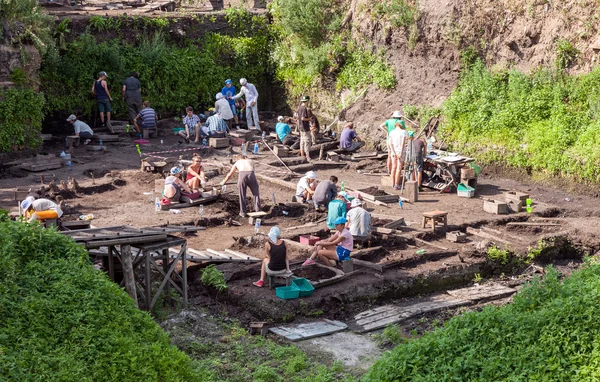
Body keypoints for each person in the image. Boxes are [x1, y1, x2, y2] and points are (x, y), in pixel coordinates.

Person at [388, 120, 407, 190]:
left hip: (393, 152)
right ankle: (397, 185)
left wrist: (393, 152)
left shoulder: (391, 132)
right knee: (399, 168)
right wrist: (400, 153)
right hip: (400, 152)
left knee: (393, 167)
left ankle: (392, 184)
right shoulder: (403, 132)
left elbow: (390, 143)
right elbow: (403, 143)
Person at [296, 96, 312, 161]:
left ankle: (302, 155)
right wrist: (309, 119)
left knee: (302, 141)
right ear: (307, 101)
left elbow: (297, 116)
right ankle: (307, 156)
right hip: (305, 127)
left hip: (300, 127)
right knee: (307, 141)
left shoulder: (299, 108)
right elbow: (303, 118)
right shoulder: (304, 108)